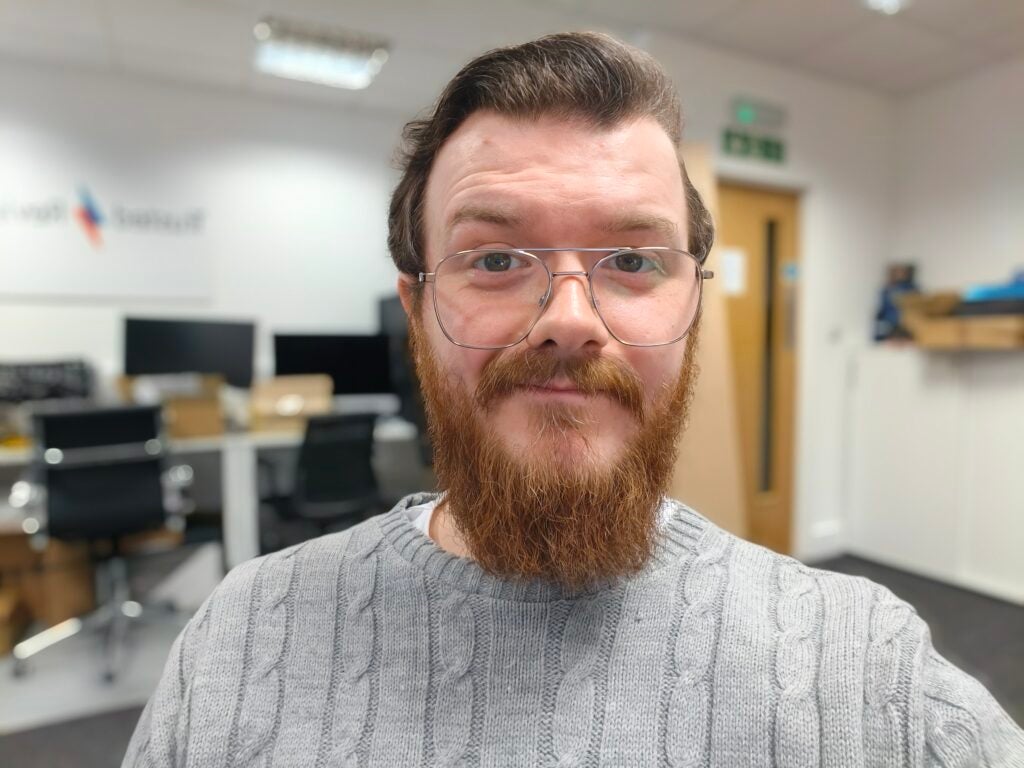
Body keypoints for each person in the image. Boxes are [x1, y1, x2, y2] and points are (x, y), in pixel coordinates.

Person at [124, 32, 1023, 766]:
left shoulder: (865, 666)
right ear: (417, 307)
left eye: (632, 261)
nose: (567, 320)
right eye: (494, 259)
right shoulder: (245, 632)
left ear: (694, 305)